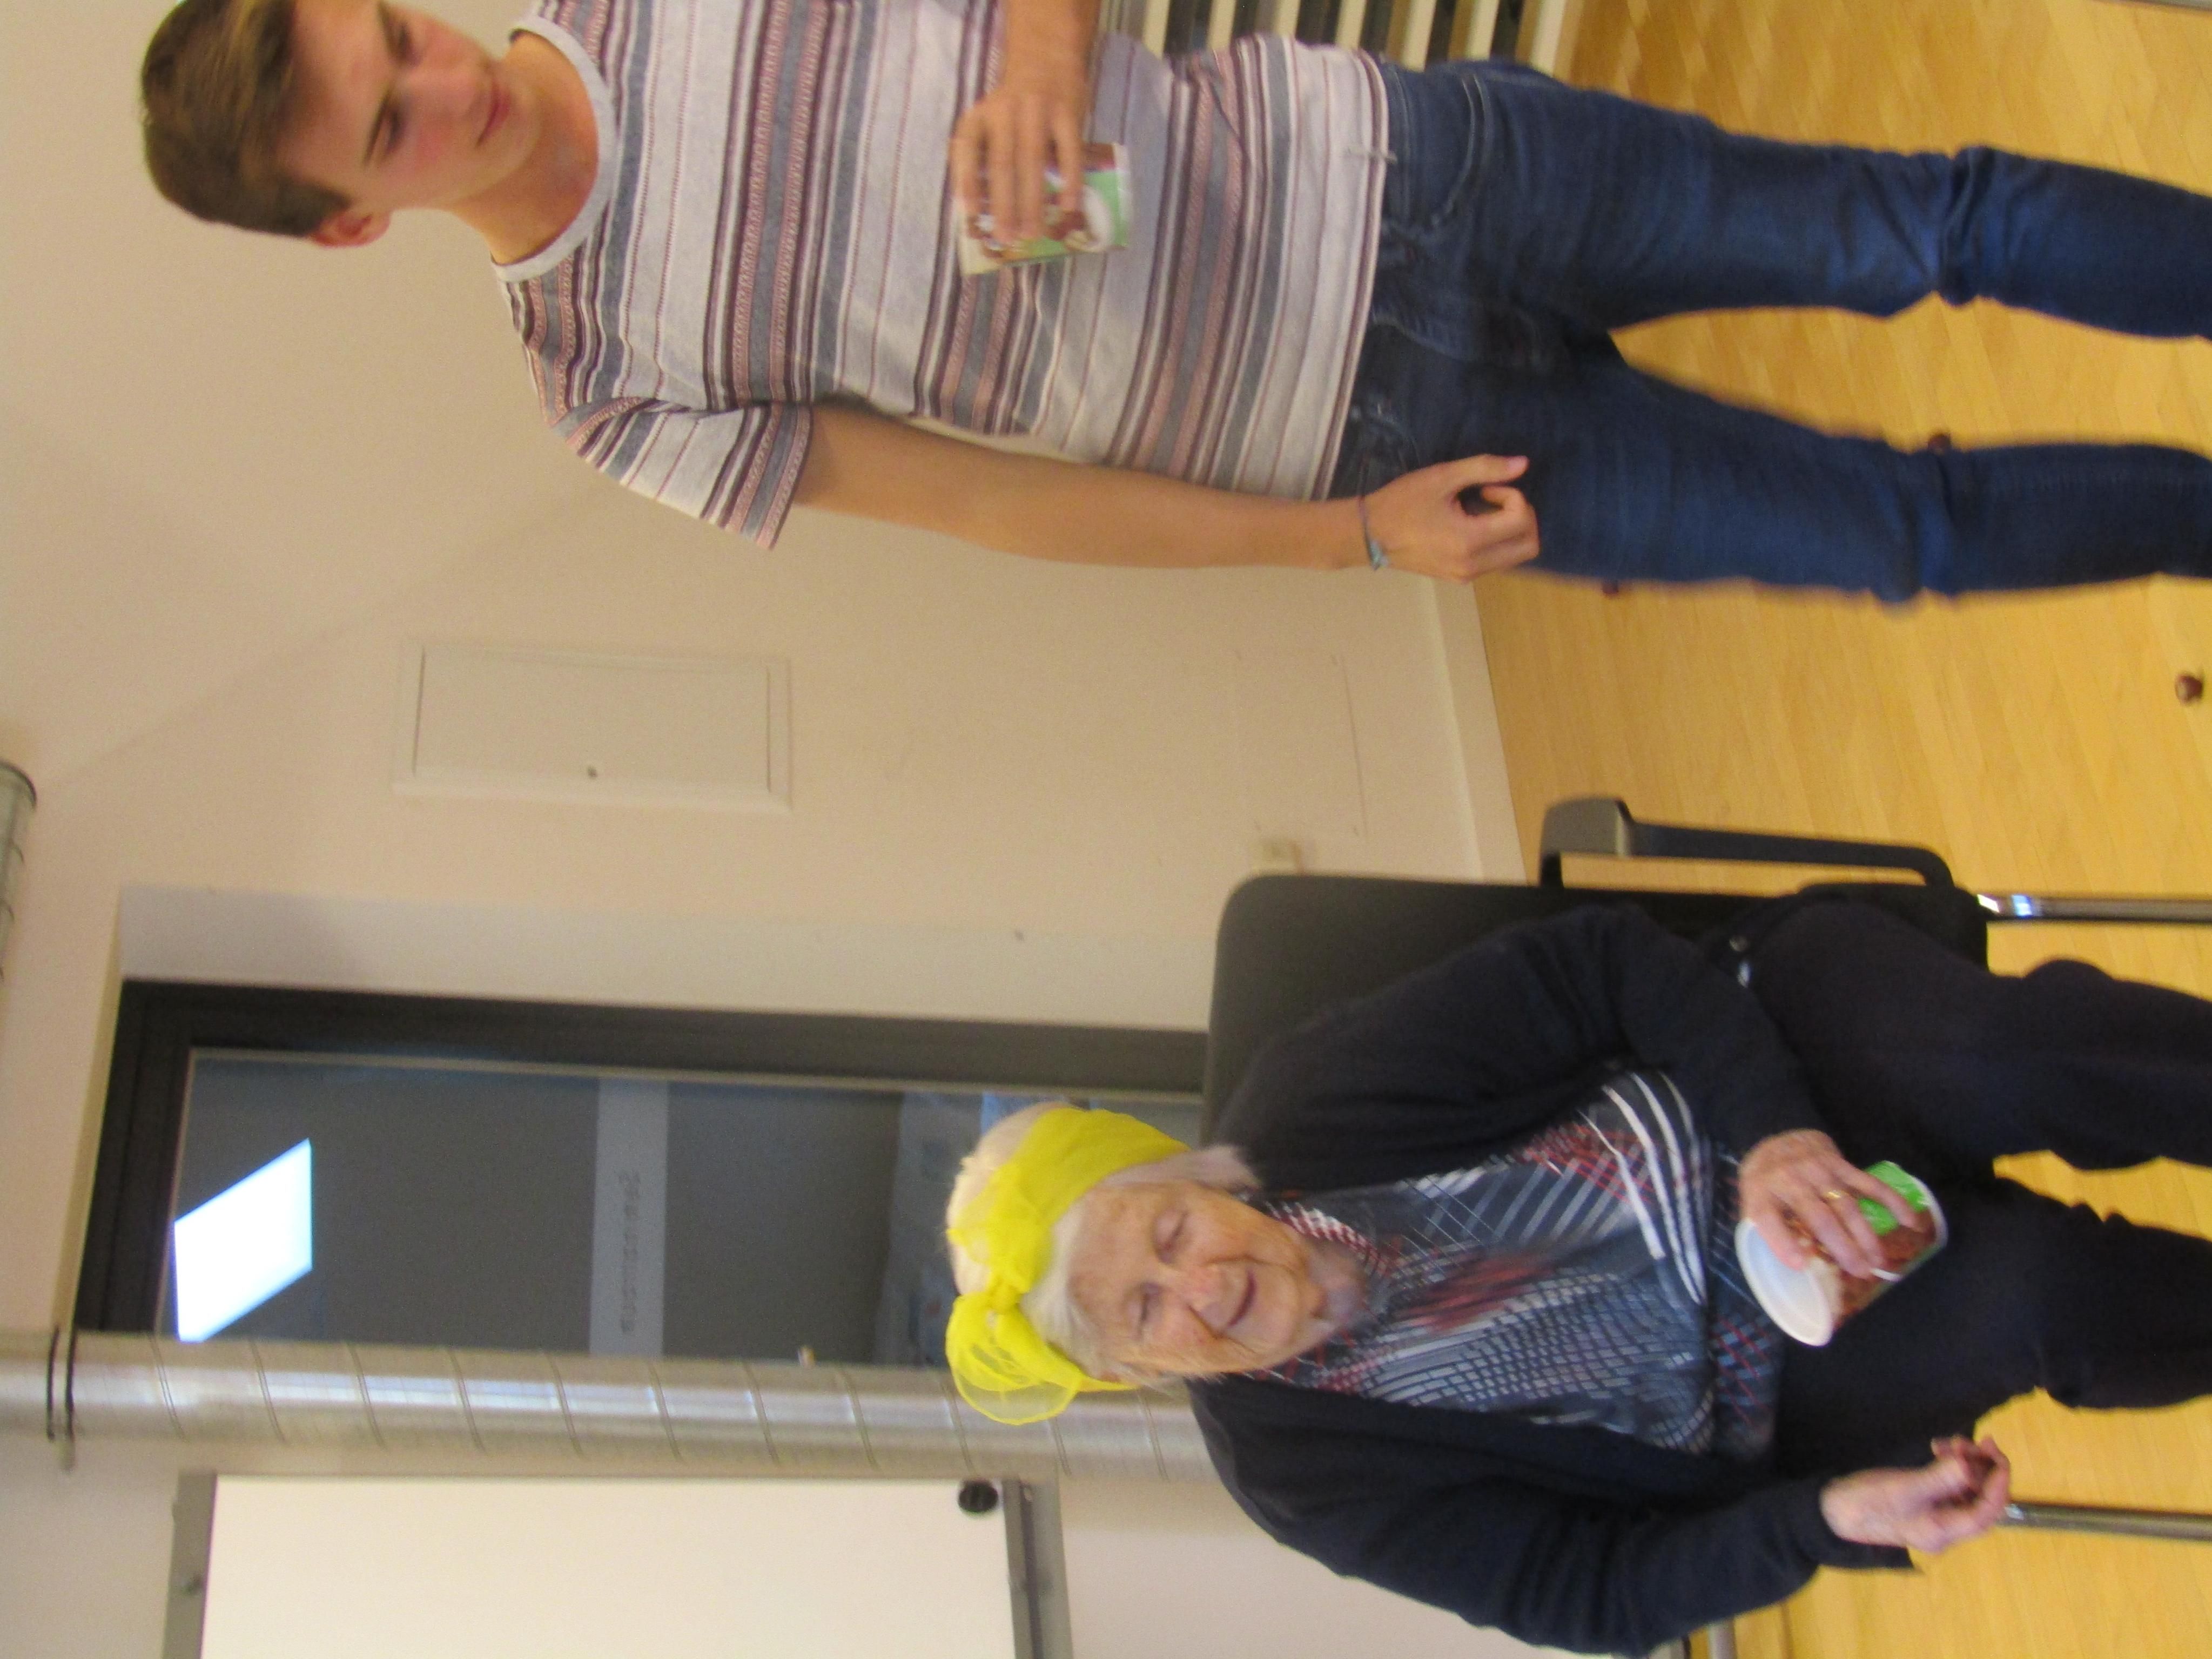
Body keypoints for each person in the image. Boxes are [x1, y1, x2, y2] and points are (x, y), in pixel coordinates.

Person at [140, 0, 2212, 597]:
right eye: (390, 127)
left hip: (1416, 166)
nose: (450, 85)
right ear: (348, 228)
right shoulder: (605, 391)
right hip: (1381, 442)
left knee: (1920, 223)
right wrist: (1349, 543)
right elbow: (993, 503)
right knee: (1899, 535)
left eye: (396, 32)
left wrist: (1043, 65)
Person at [942, 896, 2212, 1654]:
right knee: (2046, 1300)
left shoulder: (1310, 1099)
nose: (1202, 1282)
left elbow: (1600, 965)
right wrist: (1819, 1522)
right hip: (1795, 1366)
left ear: (1197, 1178)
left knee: (2011, 1057)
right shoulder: (1296, 1474)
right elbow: (1584, 1592)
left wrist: (1774, 1133)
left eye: (1170, 1234)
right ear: (1138, 1373)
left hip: (1762, 1071)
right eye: (1146, 1312)